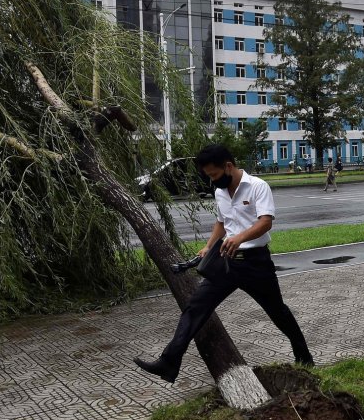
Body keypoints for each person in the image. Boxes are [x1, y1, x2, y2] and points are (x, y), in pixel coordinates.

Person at [134, 144, 314, 383]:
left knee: (277, 311)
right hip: (226, 263)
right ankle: (169, 362)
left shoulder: (258, 186)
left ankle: (304, 356)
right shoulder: (220, 192)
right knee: (195, 306)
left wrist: (239, 238)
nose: (212, 180)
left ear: (228, 166)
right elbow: (222, 222)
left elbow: (265, 222)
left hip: (256, 263)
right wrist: (209, 245)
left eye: (214, 175)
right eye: (208, 176)